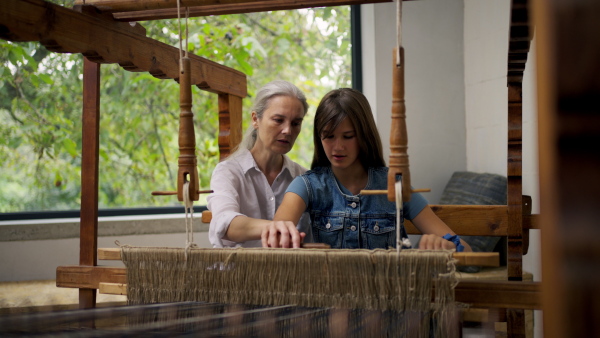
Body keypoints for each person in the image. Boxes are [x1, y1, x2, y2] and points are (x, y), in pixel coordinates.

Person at [266, 88, 472, 251]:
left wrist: (447, 246)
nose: (338, 147)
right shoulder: (306, 185)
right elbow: (274, 243)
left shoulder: (394, 184)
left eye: (348, 136)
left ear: (365, 135)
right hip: (335, 302)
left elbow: (466, 250)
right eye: (328, 136)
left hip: (393, 298)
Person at [207, 80, 312, 248]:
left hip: (289, 273)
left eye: (295, 123)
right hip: (236, 272)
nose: (287, 131)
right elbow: (225, 223)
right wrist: (276, 227)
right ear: (256, 119)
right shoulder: (228, 172)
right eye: (278, 120)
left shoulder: (304, 177)